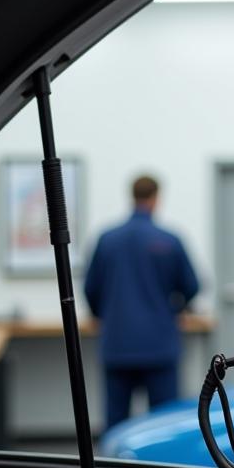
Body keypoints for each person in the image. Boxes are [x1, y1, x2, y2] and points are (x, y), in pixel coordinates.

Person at [84, 175, 199, 430]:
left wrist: (104, 316)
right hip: (159, 344)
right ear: (157, 198)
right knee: (163, 423)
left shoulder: (107, 239)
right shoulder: (169, 240)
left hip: (117, 344)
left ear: (132, 196)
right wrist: (174, 309)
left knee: (116, 423)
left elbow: (90, 288)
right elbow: (192, 286)